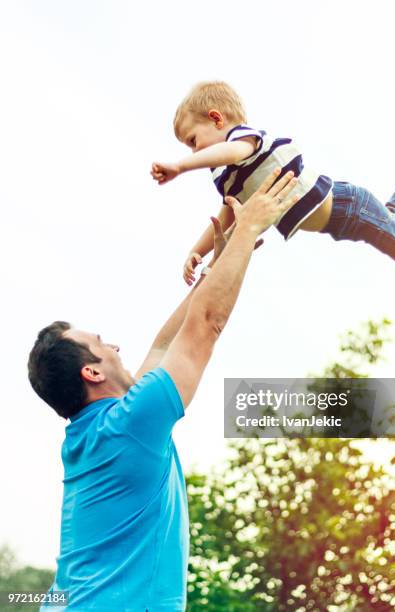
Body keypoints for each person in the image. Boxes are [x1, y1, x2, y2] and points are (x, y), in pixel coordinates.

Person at [27, 169, 298, 611]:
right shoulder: (130, 424)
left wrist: (223, 262)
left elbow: (165, 344)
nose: (114, 344)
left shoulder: (98, 431)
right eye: (100, 343)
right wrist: (249, 226)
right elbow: (206, 326)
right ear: (92, 373)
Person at [151, 81, 395, 302]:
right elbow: (225, 213)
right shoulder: (227, 175)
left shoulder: (243, 140)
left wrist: (181, 166)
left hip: (351, 208)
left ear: (217, 119)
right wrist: (198, 250)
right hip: (345, 222)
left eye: (193, 141)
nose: (195, 152)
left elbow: (231, 153)